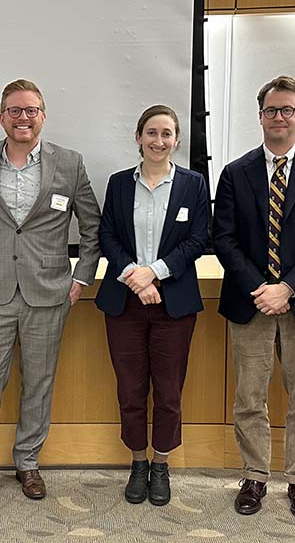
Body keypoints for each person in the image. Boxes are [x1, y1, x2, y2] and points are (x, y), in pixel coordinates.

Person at [0, 79, 101, 508]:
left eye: (31, 110)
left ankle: (27, 462)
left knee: (38, 382)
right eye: (15, 110)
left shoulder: (69, 163)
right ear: (2, 116)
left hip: (50, 291)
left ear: (43, 116)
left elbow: (92, 225)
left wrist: (81, 278)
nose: (23, 117)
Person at [212, 75, 295, 521]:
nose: (279, 117)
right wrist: (262, 289)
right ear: (260, 116)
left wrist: (286, 288)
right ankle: (254, 476)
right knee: (249, 397)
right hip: (250, 301)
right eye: (271, 110)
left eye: (287, 110)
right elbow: (224, 238)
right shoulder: (236, 172)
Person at [94, 105, 210, 506]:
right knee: (130, 390)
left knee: (169, 391)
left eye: (166, 134)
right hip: (124, 302)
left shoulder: (193, 184)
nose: (158, 141)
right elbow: (107, 235)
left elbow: (198, 239)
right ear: (138, 137)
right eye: (151, 133)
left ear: (176, 141)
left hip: (173, 304)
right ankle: (138, 462)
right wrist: (134, 276)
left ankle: (161, 464)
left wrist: (154, 273)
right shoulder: (119, 183)